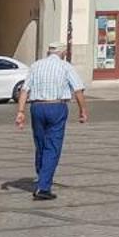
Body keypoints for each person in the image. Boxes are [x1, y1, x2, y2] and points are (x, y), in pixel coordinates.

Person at [14, 43, 88, 199]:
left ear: (48, 52)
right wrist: (82, 111)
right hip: (56, 106)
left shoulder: (36, 66)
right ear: (63, 53)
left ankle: (42, 175)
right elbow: (78, 90)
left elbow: (25, 89)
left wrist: (21, 112)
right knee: (53, 146)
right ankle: (43, 187)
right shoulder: (65, 66)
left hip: (37, 107)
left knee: (40, 144)